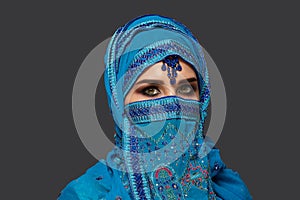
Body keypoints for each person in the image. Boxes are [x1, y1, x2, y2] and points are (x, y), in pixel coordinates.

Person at [58, 14, 252, 200]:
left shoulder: (230, 191)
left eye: (186, 88)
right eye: (151, 91)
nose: (174, 104)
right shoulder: (85, 195)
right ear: (119, 106)